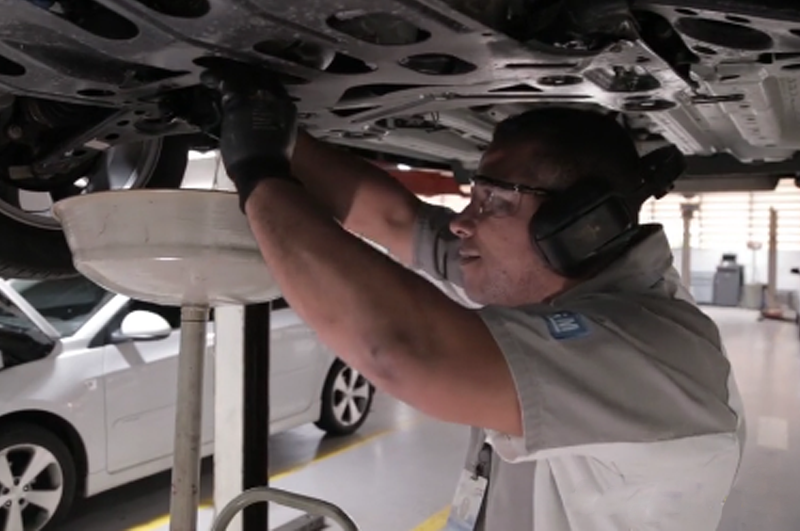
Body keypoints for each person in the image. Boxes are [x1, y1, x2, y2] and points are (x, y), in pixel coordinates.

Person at [202, 70, 746, 530]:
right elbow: (396, 220)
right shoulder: (540, 274)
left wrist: (259, 175)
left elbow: (402, 348)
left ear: (582, 225)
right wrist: (254, 130)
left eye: (493, 202)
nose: (463, 223)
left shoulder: (657, 353)